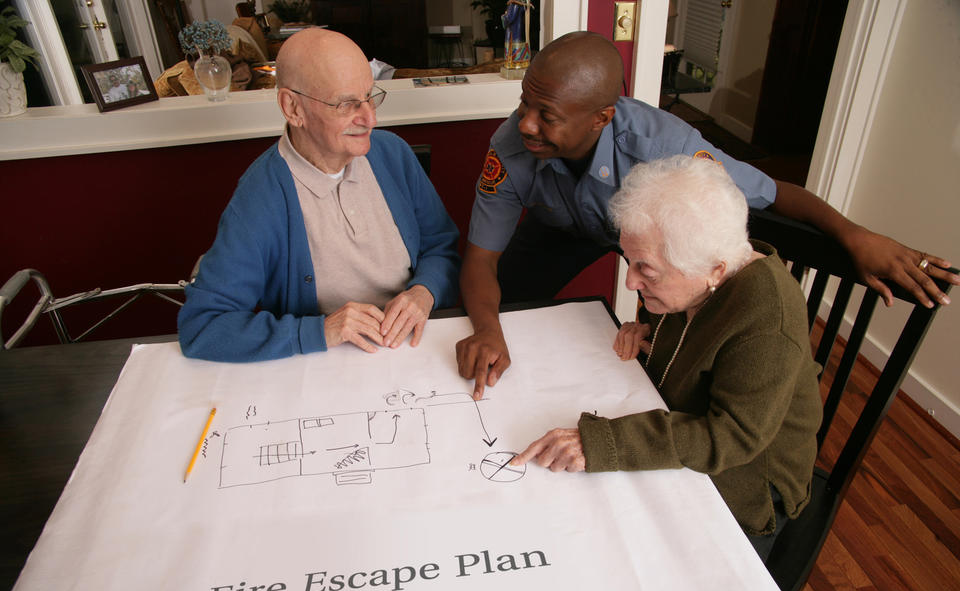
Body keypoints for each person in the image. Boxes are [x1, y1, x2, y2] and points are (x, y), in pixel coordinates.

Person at [456, 31, 959, 400]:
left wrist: (855, 234)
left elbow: (774, 195)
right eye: (525, 102)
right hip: (559, 229)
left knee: (673, 371)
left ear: (601, 118)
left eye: (547, 115)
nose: (525, 123)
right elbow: (481, 259)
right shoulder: (513, 145)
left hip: (647, 242)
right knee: (492, 313)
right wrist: (486, 329)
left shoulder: (665, 146)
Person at [512, 155, 823, 558]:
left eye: (647, 271)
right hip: (678, 424)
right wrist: (651, 333)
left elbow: (731, 437)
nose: (630, 281)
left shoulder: (767, 318)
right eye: (630, 260)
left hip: (746, 484)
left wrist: (602, 443)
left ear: (714, 269)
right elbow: (694, 339)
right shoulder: (697, 279)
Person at [178, 28, 460, 362]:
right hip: (325, 365)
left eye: (370, 95)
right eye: (345, 104)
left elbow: (444, 249)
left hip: (412, 349)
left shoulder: (393, 155)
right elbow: (203, 326)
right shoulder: (260, 196)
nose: (370, 118)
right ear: (292, 107)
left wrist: (424, 291)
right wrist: (318, 331)